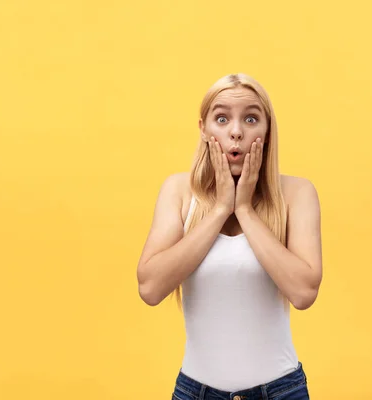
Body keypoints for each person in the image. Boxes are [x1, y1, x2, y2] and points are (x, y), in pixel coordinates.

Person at [137, 73, 323, 400]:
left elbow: (304, 292)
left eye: (251, 118)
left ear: (267, 131)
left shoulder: (297, 193)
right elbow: (150, 288)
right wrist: (222, 208)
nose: (236, 131)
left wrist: (246, 211)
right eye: (221, 118)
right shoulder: (178, 192)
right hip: (196, 393)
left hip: (281, 392)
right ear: (204, 129)